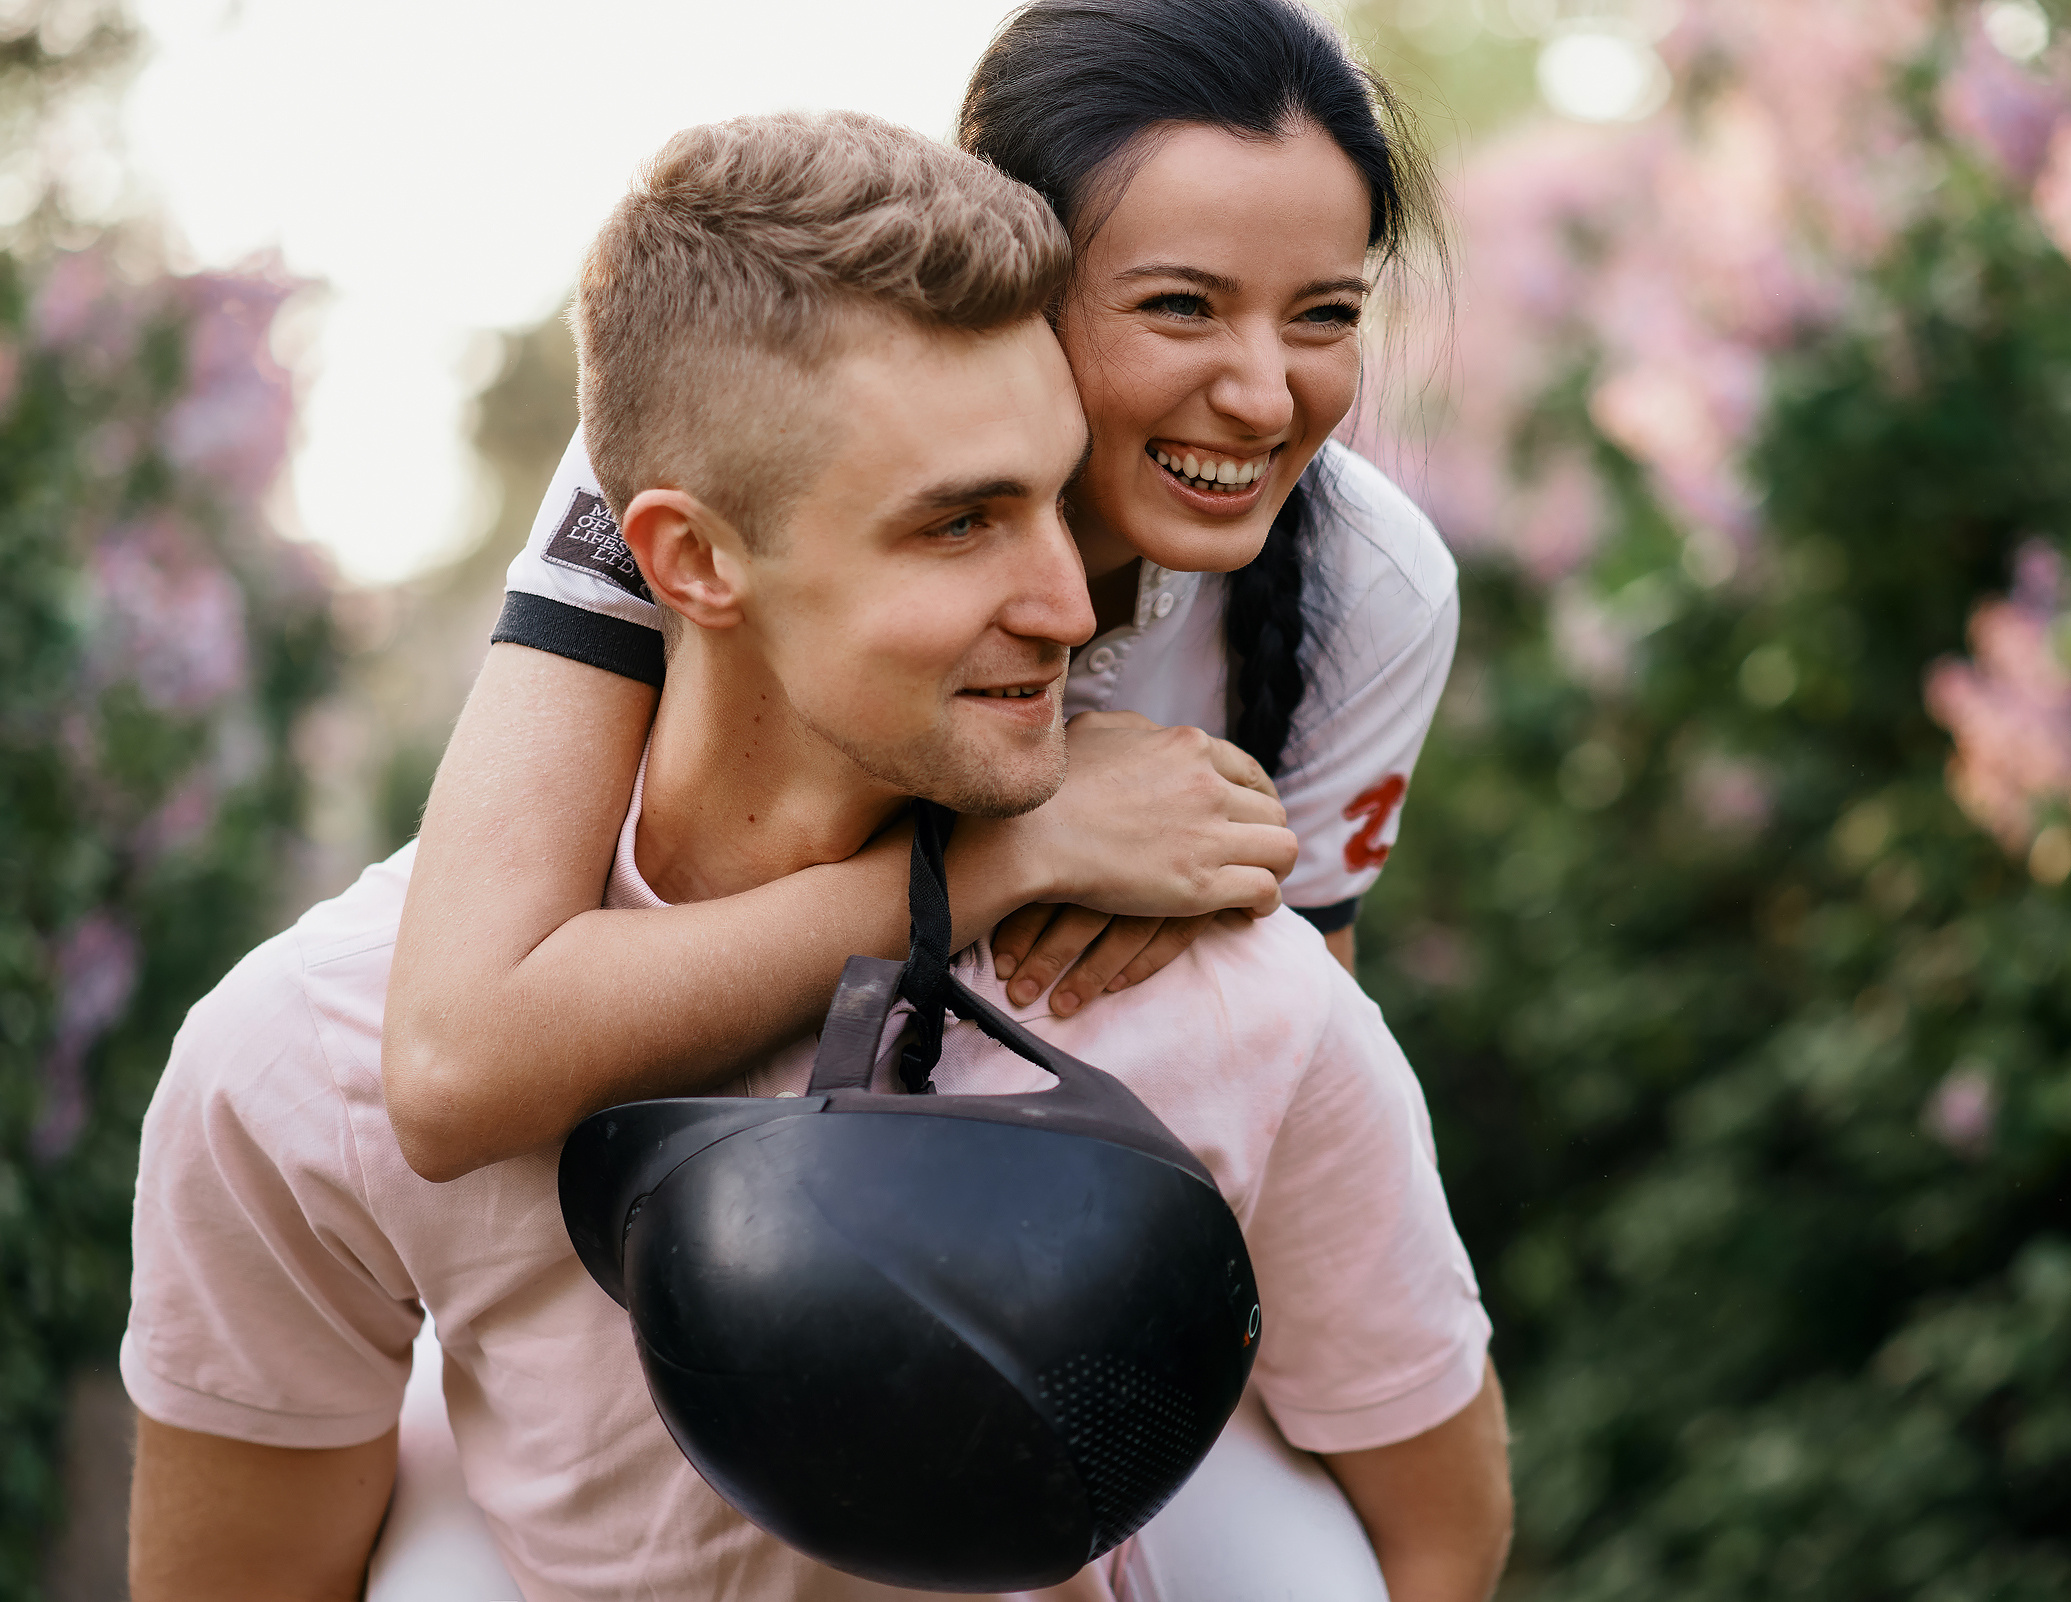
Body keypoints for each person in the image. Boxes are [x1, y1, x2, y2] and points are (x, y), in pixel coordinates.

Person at [123, 111, 1510, 1602]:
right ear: (690, 561)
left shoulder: (1242, 1003)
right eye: (961, 522)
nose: (1071, 605)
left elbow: (1436, 1540)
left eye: (1064, 501)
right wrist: (963, 875)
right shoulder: (300, 1060)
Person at [382, 0, 1460, 1186]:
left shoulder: (1375, 585)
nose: (1264, 396)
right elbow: (454, 1066)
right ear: (1021, 272)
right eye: (1180, 304)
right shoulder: (724, 448)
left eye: (1326, 314)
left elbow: (1306, 1090)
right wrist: (1007, 861)